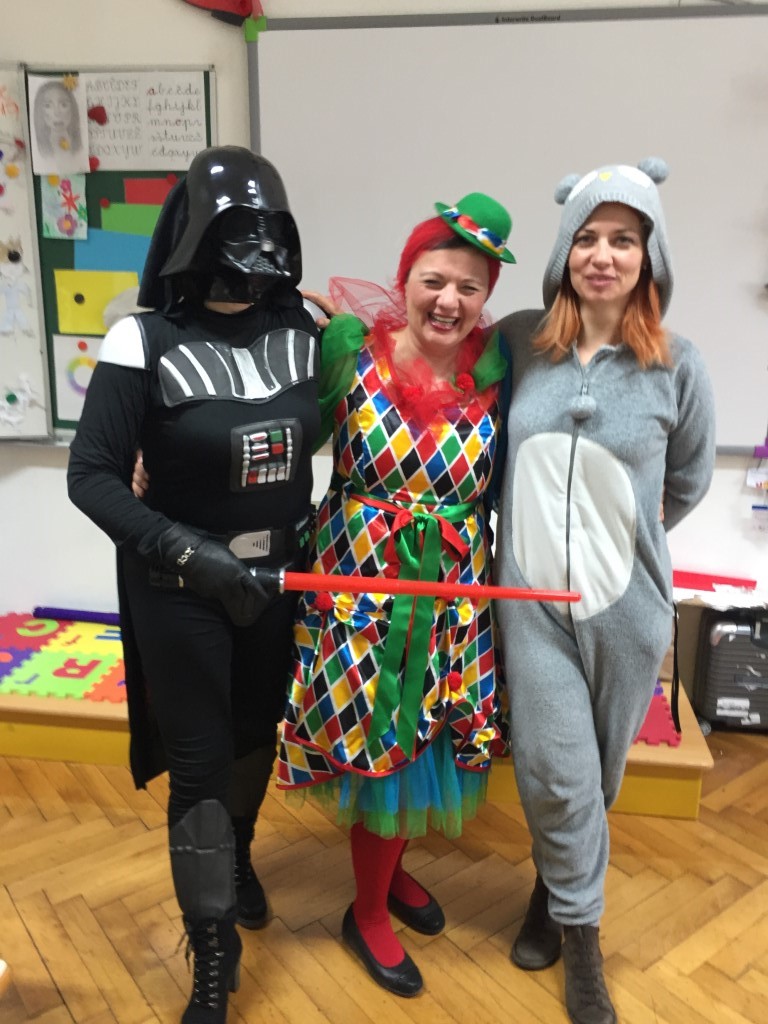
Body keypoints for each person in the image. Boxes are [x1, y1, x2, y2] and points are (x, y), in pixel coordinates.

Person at [68, 144, 322, 1024]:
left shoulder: (308, 330)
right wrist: (184, 550)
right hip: (180, 583)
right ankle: (212, 951)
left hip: (277, 576)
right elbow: (93, 476)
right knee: (200, 763)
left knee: (255, 733)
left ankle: (239, 856)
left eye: (267, 233)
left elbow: (343, 427)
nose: (253, 255)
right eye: (235, 232)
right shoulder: (142, 339)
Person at [493, 158, 716, 1024]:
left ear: (649, 255)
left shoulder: (679, 365)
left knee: (598, 775)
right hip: (532, 605)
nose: (603, 255)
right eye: (586, 237)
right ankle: (583, 946)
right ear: (563, 252)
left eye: (623, 239)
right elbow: (435, 349)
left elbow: (687, 481)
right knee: (555, 769)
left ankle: (551, 893)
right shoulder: (520, 343)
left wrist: (626, 538)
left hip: (628, 607)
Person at [276, 192, 515, 997]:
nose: (448, 300)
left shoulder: (498, 370)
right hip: (361, 593)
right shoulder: (351, 352)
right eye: (433, 280)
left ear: (486, 297)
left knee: (430, 737)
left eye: (469, 287)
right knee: (378, 737)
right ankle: (368, 910)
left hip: (450, 598)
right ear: (405, 278)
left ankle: (389, 872)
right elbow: (290, 436)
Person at [33, 79, 82, 159]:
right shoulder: (40, 149)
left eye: (63, 105)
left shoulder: (79, 147)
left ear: (73, 108)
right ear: (40, 111)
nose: (57, 113)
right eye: (48, 106)